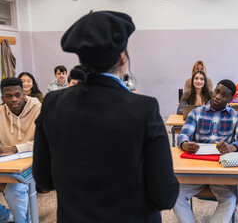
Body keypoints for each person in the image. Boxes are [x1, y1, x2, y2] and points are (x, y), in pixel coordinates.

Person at [33, 11, 179, 223]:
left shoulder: (52, 103)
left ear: (81, 59)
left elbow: (44, 179)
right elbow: (164, 196)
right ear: (122, 56)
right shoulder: (144, 108)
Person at [174, 79, 238, 223]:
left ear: (230, 99)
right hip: (197, 168)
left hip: (221, 170)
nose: (218, 97)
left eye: (224, 95)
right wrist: (184, 143)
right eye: (217, 92)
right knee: (174, 195)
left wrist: (232, 147)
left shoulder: (237, 116)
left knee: (230, 200)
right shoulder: (196, 113)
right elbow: (183, 134)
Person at [0, 77, 41, 223]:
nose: (13, 99)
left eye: (17, 94)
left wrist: (14, 149)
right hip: (8, 164)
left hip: (33, 163)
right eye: (8, 96)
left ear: (23, 93)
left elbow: (44, 142)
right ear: (2, 98)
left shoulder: (39, 109)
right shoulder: (0, 112)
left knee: (14, 190)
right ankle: (6, 216)